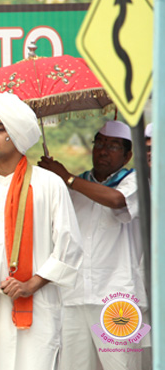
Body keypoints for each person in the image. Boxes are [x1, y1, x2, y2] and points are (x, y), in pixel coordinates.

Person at [0, 92, 83, 370]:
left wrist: (30, 285)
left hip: (34, 310)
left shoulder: (48, 185)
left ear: (18, 134)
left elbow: (69, 247)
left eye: (0, 128)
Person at [38, 120, 149, 369]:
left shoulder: (135, 182)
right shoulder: (74, 187)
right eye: (99, 143)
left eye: (112, 145)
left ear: (128, 154)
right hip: (74, 296)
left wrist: (65, 177)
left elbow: (117, 200)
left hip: (118, 298)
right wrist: (52, 178)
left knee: (122, 365)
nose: (103, 150)